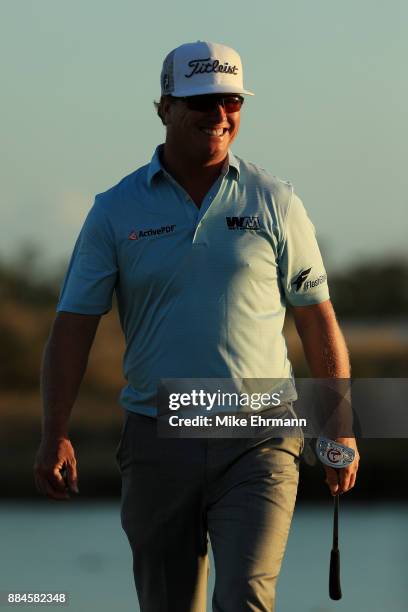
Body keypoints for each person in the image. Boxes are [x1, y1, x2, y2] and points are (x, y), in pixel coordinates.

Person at [34, 41, 360, 612]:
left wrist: (339, 425)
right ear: (164, 107)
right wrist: (54, 429)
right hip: (159, 435)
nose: (219, 116)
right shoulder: (115, 209)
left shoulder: (275, 201)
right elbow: (73, 328)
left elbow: (316, 319)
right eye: (201, 103)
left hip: (262, 435)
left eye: (231, 102)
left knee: (245, 596)